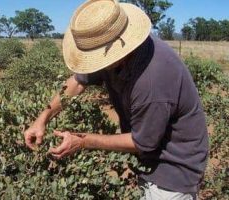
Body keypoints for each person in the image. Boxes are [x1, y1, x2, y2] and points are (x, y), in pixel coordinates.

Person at [24, 0, 208, 199]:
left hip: (174, 171)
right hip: (147, 161)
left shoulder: (153, 80)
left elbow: (142, 141)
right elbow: (77, 81)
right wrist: (43, 117)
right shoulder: (115, 50)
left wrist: (82, 141)